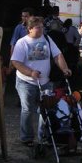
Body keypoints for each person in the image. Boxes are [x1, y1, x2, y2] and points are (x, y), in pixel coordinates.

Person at [11, 16, 72, 146]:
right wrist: (30, 72)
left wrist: (65, 68)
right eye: (38, 27)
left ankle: (44, 136)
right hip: (26, 82)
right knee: (27, 109)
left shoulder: (47, 39)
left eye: (42, 27)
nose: (41, 29)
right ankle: (27, 138)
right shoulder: (22, 43)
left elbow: (58, 55)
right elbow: (16, 62)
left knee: (46, 109)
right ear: (30, 29)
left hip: (45, 82)